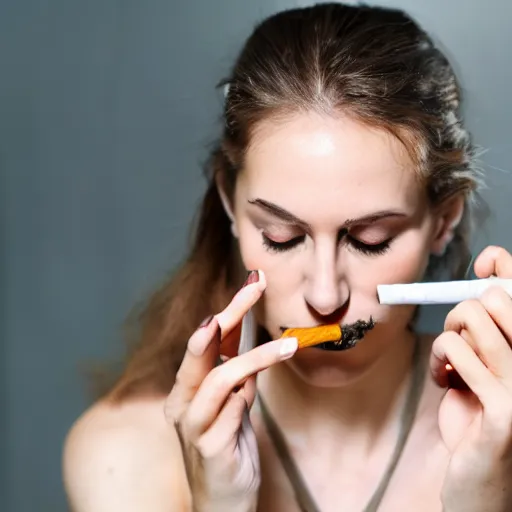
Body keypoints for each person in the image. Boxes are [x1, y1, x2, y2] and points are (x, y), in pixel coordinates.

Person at [62, 3, 512, 511]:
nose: (325, 297)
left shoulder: (499, 441)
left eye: (370, 239)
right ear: (230, 204)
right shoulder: (123, 456)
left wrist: (485, 498)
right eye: (280, 236)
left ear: (444, 221)